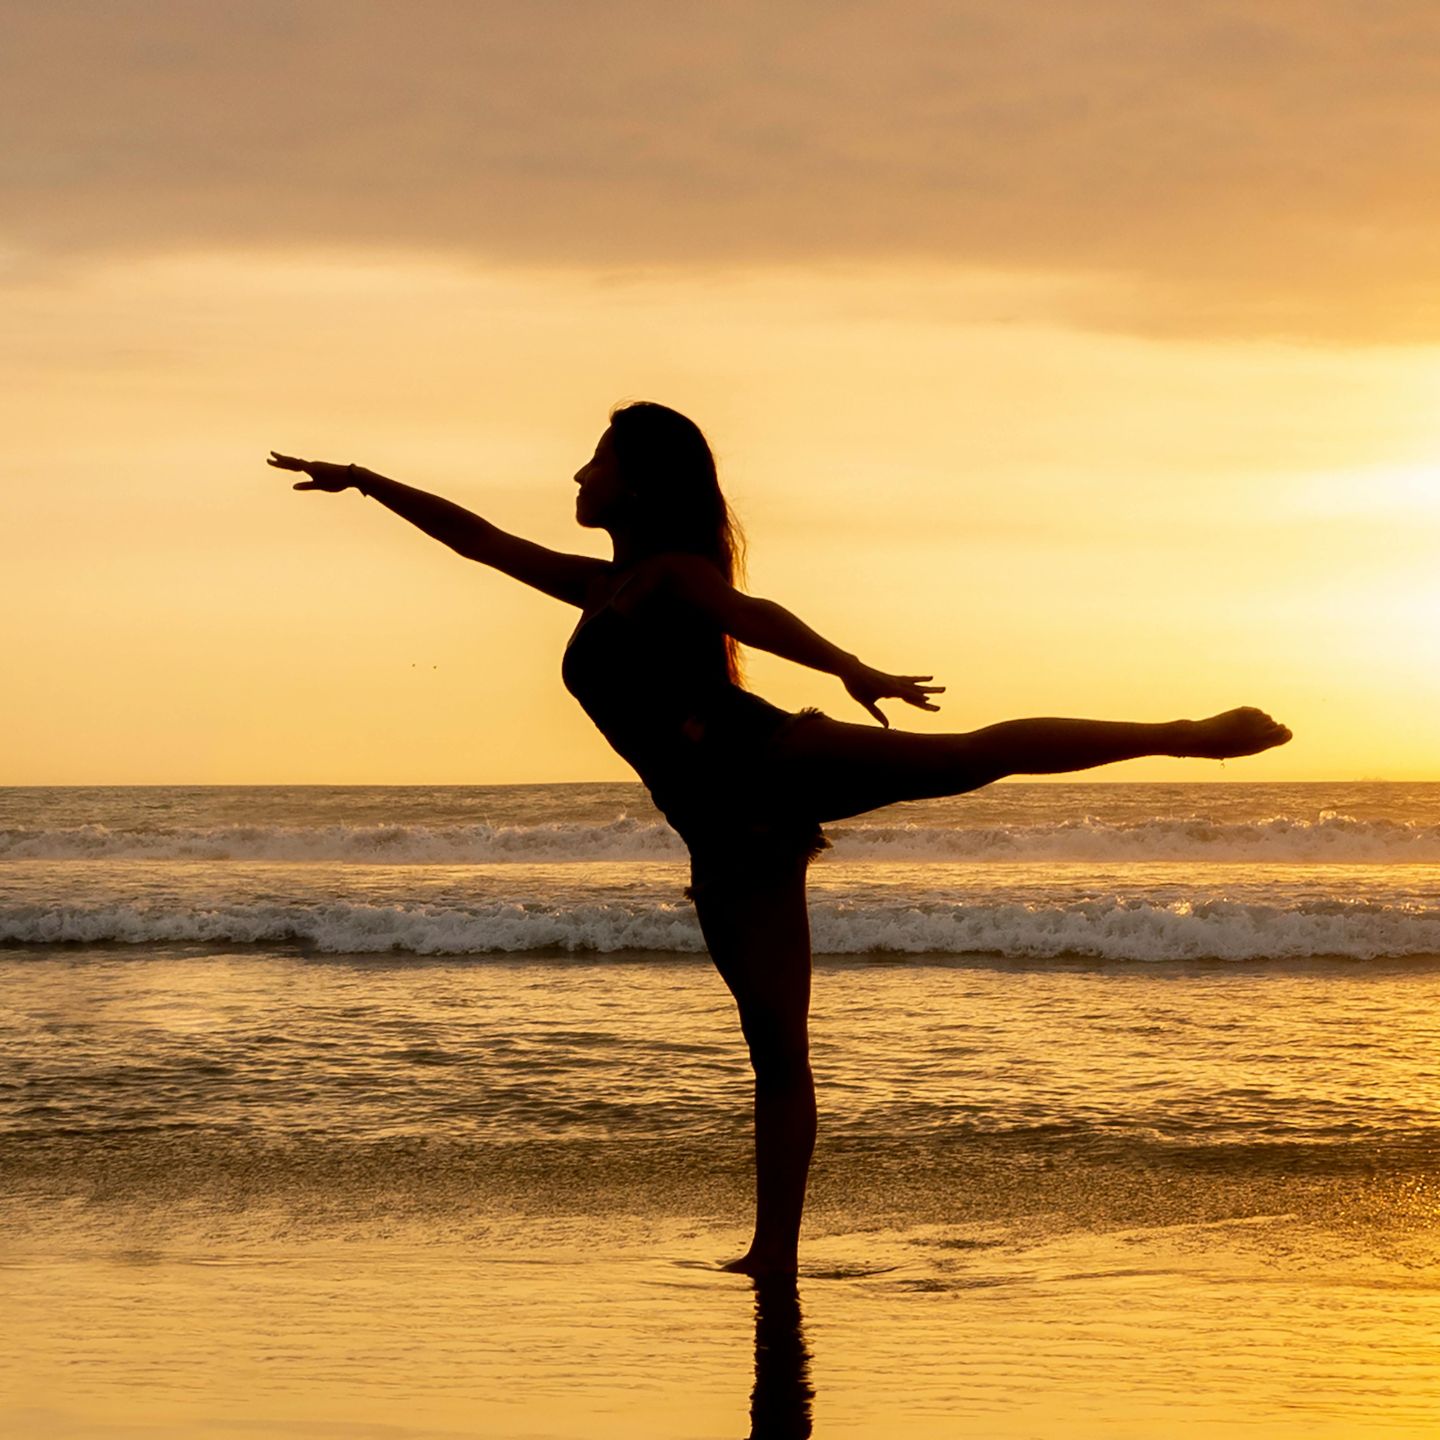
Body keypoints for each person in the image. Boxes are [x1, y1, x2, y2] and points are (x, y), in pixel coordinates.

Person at [269, 401, 1291, 1277]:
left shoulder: (671, 575)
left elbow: (753, 615)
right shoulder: (604, 586)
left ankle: (1189, 736)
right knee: (776, 1056)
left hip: (768, 763)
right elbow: (477, 541)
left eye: (599, 457)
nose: (580, 471)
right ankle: (774, 1253)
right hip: (722, 840)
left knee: (970, 756)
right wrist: (364, 481)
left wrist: (850, 667)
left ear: (641, 479)